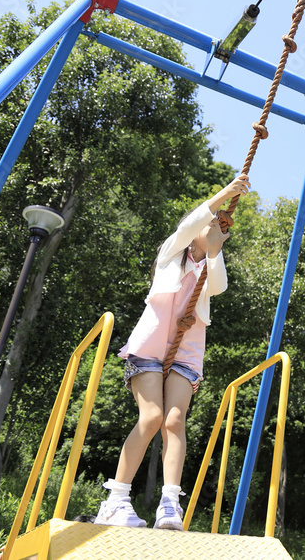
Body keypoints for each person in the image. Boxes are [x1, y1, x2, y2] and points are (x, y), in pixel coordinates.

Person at [95, 175, 250, 530]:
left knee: (174, 421)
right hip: (150, 345)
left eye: (217, 226)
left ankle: (170, 503)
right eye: (209, 223)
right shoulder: (170, 256)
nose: (213, 225)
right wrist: (226, 194)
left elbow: (220, 286)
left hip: (186, 352)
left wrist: (214, 251)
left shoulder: (209, 267)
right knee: (150, 418)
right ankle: (116, 500)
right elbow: (188, 224)